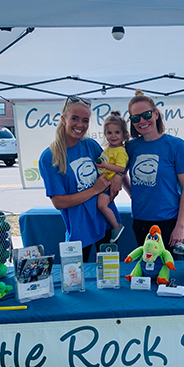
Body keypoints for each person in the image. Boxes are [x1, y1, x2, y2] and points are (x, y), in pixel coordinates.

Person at [38, 97, 118, 262]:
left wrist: (117, 177)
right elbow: (59, 202)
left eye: (85, 120)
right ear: (63, 119)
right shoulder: (50, 157)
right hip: (80, 229)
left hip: (105, 222)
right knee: (77, 280)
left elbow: (111, 168)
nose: (80, 125)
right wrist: (94, 190)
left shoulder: (91, 145)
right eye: (74, 118)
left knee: (108, 278)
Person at [124, 90, 184, 250]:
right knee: (144, 269)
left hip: (168, 222)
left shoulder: (176, 145)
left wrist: (180, 226)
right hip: (140, 220)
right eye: (135, 118)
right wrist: (132, 193)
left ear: (156, 114)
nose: (142, 121)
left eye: (146, 115)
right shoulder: (131, 147)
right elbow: (120, 174)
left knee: (167, 271)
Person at [95, 111, 129, 243]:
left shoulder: (120, 151)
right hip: (103, 181)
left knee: (102, 206)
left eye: (117, 132)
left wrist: (105, 165)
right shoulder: (109, 148)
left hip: (108, 184)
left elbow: (121, 168)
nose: (113, 136)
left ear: (124, 134)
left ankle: (116, 226)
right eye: (109, 133)